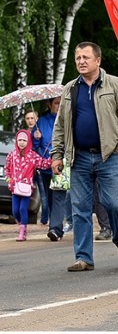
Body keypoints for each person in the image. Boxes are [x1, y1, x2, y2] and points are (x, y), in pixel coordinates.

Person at [50, 41, 118, 272]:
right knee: (80, 208)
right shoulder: (70, 88)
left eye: (86, 57)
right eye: (78, 57)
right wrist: (57, 154)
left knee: (115, 204)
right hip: (78, 157)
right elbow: (61, 125)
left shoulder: (115, 84)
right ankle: (84, 257)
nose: (81, 61)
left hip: (108, 156)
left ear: (97, 60)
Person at [7, 129, 52, 241]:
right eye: (19, 140)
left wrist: (52, 158)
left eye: (24, 140)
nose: (22, 142)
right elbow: (7, 168)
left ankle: (23, 231)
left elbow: (43, 163)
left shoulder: (32, 156)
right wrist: (9, 179)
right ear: (16, 141)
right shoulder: (12, 155)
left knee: (23, 209)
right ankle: (21, 223)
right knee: (15, 211)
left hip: (26, 188)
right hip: (15, 187)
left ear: (29, 142)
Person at [39, 97, 71, 241]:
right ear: (49, 104)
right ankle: (55, 224)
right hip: (45, 166)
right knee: (49, 198)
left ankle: (55, 229)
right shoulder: (41, 122)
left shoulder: (68, 120)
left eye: (61, 103)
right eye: (56, 103)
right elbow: (33, 145)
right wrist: (35, 138)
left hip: (60, 165)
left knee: (58, 196)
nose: (59, 106)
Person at [25, 109, 48, 225]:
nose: (30, 121)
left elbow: (42, 149)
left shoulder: (40, 131)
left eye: (32, 118)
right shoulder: (23, 134)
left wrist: (38, 138)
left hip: (38, 167)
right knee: (24, 191)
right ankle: (24, 217)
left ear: (37, 119)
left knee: (43, 193)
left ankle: (44, 219)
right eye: (28, 118)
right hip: (27, 168)